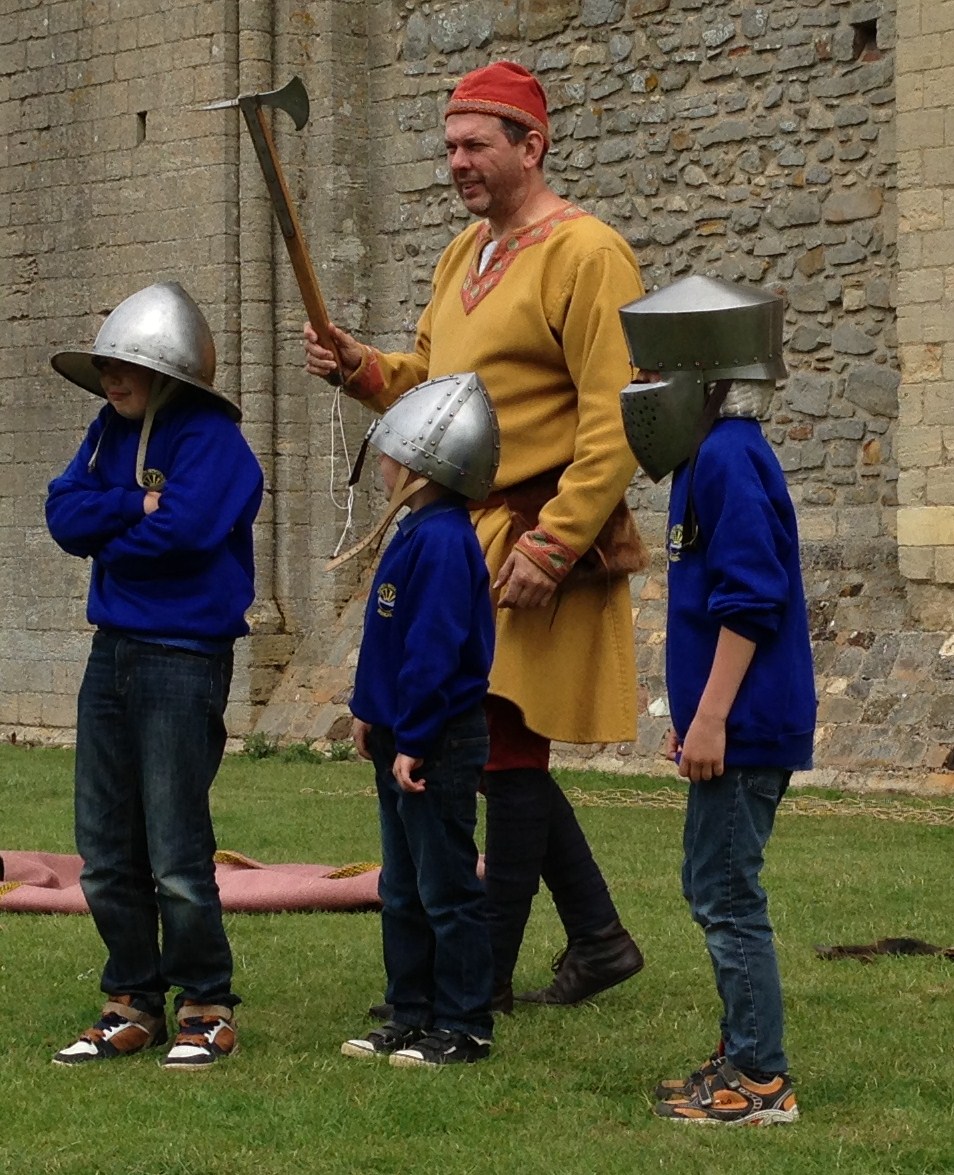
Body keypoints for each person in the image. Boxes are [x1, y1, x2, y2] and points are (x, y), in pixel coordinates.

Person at [304, 61, 645, 1010]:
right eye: (449, 145)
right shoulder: (465, 255)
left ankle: (479, 974)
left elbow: (618, 414)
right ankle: (601, 939)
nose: (455, 162)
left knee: (503, 749)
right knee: (491, 739)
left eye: (475, 145)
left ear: (531, 145)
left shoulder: (587, 253)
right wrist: (362, 367)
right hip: (462, 531)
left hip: (536, 530)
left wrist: (557, 543)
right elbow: (433, 383)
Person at [45, 281, 264, 1070]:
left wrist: (118, 526)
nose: (112, 377)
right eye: (106, 363)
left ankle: (205, 1002)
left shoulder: (216, 442)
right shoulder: (107, 432)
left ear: (169, 371)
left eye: (127, 363)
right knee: (104, 842)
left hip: (183, 655)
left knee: (174, 844)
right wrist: (130, 510)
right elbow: (62, 513)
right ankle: (129, 1000)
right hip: (113, 653)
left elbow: (191, 529)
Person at [619, 275, 816, 1125]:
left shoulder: (731, 458)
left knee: (727, 892)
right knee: (712, 883)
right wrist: (695, 716)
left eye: (654, 375)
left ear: (698, 379)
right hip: (726, 723)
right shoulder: (703, 462)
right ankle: (739, 1051)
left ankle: (762, 1079)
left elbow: (751, 599)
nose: (641, 392)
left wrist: (710, 717)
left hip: (744, 725)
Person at [339, 372, 499, 1067]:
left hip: (435, 738)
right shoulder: (416, 532)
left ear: (425, 463)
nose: (382, 465)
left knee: (446, 884)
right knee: (400, 884)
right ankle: (411, 1010)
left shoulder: (442, 541)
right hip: (400, 735)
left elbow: (433, 650)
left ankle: (464, 1021)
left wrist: (418, 737)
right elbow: (388, 642)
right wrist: (370, 715)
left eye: (390, 454)